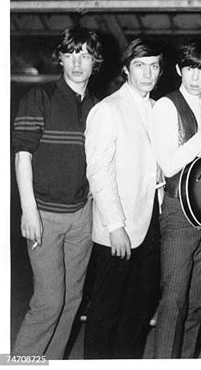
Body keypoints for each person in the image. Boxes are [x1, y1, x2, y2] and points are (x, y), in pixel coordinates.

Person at [12, 27, 104, 359]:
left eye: (85, 55)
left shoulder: (98, 107)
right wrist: (29, 210)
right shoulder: (40, 98)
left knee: (71, 300)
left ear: (95, 61)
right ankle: (20, 364)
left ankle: (48, 363)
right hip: (45, 215)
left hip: (81, 217)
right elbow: (23, 155)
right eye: (71, 54)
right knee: (48, 302)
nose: (78, 62)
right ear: (61, 58)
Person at [83, 37, 164, 359]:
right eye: (140, 66)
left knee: (138, 310)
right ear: (126, 70)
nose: (147, 73)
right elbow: (99, 172)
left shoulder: (159, 109)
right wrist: (115, 226)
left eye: (154, 66)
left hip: (150, 224)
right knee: (105, 310)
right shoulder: (107, 110)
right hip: (118, 229)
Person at [151, 38, 201, 358]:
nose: (196, 77)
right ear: (180, 70)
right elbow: (168, 164)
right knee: (174, 301)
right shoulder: (166, 106)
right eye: (190, 68)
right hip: (178, 213)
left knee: (198, 301)